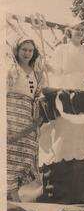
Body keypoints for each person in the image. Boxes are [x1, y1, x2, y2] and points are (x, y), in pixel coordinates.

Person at [7, 38, 46, 201]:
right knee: (9, 152)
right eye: (24, 49)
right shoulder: (11, 68)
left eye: (30, 50)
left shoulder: (37, 72)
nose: (27, 53)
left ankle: (16, 192)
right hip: (11, 112)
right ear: (18, 50)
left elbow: (38, 95)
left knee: (27, 153)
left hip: (29, 114)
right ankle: (10, 193)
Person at [46, 23, 84, 90]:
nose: (80, 32)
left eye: (82, 30)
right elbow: (57, 71)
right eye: (77, 29)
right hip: (68, 84)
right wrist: (49, 68)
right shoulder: (62, 48)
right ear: (70, 31)